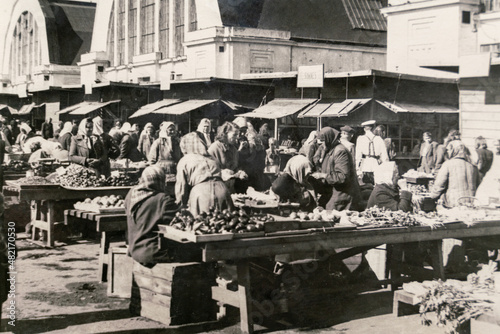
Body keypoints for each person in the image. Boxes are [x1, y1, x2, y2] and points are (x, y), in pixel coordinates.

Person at [125, 166, 185, 266]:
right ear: (161, 181)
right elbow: (179, 221)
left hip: (134, 250)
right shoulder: (163, 199)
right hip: (153, 253)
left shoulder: (131, 194)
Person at [312, 127, 361, 211]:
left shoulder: (340, 151)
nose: (321, 144)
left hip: (343, 195)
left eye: (323, 141)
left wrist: (323, 175)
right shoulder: (330, 150)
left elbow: (342, 177)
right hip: (333, 191)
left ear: (329, 139)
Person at [175, 150, 233, 217]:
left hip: (201, 192)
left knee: (202, 222)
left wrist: (181, 205)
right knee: (226, 221)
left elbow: (181, 188)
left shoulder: (184, 160)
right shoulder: (212, 158)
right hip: (222, 189)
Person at [430, 140, 480, 208]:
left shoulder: (448, 164)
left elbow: (439, 185)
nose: (447, 152)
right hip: (471, 201)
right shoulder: (473, 165)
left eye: (448, 150)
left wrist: (432, 196)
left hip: (454, 202)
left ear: (454, 150)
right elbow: (478, 184)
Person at [208, 122, 248, 192]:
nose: (237, 138)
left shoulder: (234, 149)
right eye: (234, 135)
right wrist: (222, 172)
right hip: (216, 189)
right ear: (225, 133)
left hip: (230, 189)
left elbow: (235, 167)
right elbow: (208, 170)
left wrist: (240, 172)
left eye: (237, 135)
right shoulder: (214, 148)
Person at [355, 120, 389, 184]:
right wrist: (386, 169)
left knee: (366, 185)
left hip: (365, 165)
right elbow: (385, 156)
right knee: (376, 184)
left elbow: (358, 156)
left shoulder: (360, 138)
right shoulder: (379, 139)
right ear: (373, 128)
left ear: (365, 129)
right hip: (377, 165)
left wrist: (357, 168)